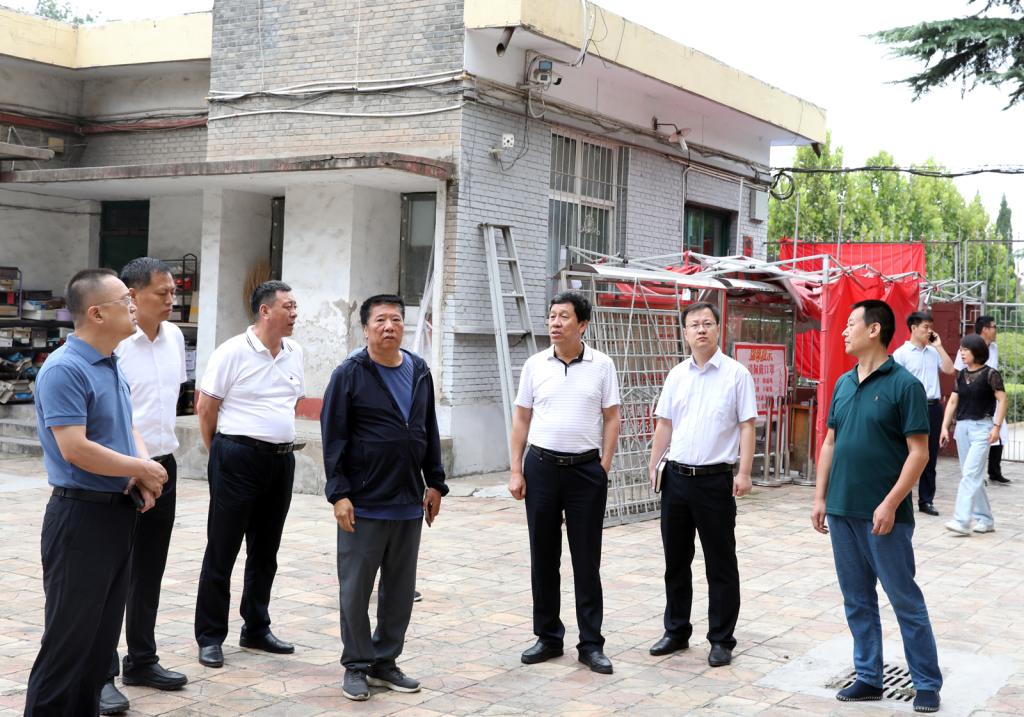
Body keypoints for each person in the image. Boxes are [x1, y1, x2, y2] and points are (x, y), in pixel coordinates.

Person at [25, 269, 167, 716]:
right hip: (80, 519)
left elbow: (127, 425)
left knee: (98, 645)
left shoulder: (110, 362)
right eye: (125, 299)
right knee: (67, 646)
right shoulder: (64, 369)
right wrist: (141, 467)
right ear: (97, 313)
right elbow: (75, 448)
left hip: (115, 514)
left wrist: (142, 467)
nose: (133, 305)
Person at [812, 300, 942, 714]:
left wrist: (889, 503)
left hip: (886, 516)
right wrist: (820, 497)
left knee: (904, 598)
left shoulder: (905, 386)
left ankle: (927, 683)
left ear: (874, 330)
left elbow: (919, 453)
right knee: (857, 599)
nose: (844, 330)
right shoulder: (843, 383)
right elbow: (830, 442)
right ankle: (868, 676)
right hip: (842, 510)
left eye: (851, 323)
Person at [320, 294, 447, 701]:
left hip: (408, 501)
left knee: (399, 590)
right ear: (365, 328)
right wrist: (339, 494)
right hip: (364, 502)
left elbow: (427, 428)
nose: (389, 326)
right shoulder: (350, 374)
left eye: (395, 319)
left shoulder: (419, 370)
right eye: (380, 320)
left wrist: (435, 482)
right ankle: (357, 665)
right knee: (356, 589)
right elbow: (333, 438)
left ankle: (385, 661)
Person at [509, 291, 621, 675]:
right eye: (552, 316)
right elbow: (521, 419)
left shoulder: (602, 365)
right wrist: (516, 470)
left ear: (583, 324)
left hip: (585, 472)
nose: (555, 323)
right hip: (541, 468)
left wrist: (603, 466)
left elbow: (612, 417)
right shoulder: (534, 365)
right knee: (543, 556)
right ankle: (548, 637)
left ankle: (591, 643)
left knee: (586, 559)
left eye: (564, 317)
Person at [194, 280, 304, 668]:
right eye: (288, 306)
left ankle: (256, 627)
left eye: (295, 306)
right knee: (222, 548)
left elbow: (290, 403)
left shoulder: (294, 352)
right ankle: (210, 636)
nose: (294, 313)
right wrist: (220, 455)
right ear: (265, 310)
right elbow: (206, 409)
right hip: (236, 458)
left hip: (280, 461)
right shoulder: (231, 352)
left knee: (266, 550)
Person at [99, 259, 189, 714]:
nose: (172, 300)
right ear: (132, 296)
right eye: (162, 293)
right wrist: (130, 468)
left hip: (163, 466)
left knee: (149, 571)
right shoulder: (114, 343)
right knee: (109, 575)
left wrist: (158, 466)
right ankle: (101, 673)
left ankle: (142, 659)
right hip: (121, 473)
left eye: (173, 292)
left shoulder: (175, 338)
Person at [646, 301, 755, 668]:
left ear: (718, 328)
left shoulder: (737, 374)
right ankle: (676, 631)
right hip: (676, 479)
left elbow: (747, 425)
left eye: (707, 323)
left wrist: (743, 472)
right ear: (685, 333)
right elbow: (665, 423)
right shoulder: (677, 375)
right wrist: (654, 465)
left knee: (720, 563)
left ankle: (721, 639)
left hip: (715, 481)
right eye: (694, 325)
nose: (701, 330)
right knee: (675, 561)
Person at [940, 334, 1008, 536]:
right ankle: (985, 519)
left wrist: (996, 427)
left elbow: (1003, 400)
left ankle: (961, 521)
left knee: (970, 474)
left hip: (982, 429)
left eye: (965, 349)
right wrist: (944, 427)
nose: (961, 353)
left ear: (976, 351)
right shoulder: (961, 375)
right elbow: (953, 401)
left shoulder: (991, 374)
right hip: (962, 428)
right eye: (960, 349)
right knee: (972, 475)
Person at [892, 311, 954, 516]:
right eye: (926, 327)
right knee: (905, 452)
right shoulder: (900, 354)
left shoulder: (934, 352)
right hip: (910, 407)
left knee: (930, 455)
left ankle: (926, 500)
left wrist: (939, 346)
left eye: (931, 327)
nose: (930, 331)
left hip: (933, 407)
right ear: (913, 328)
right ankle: (901, 498)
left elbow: (949, 369)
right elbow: (894, 384)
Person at [954, 316, 1009, 484]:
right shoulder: (967, 348)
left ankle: (994, 471)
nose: (996, 330)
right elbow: (959, 374)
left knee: (1000, 433)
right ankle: (979, 476)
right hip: (972, 401)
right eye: (994, 327)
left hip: (991, 397)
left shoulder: (994, 348)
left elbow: (995, 377)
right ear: (985, 329)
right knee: (970, 469)